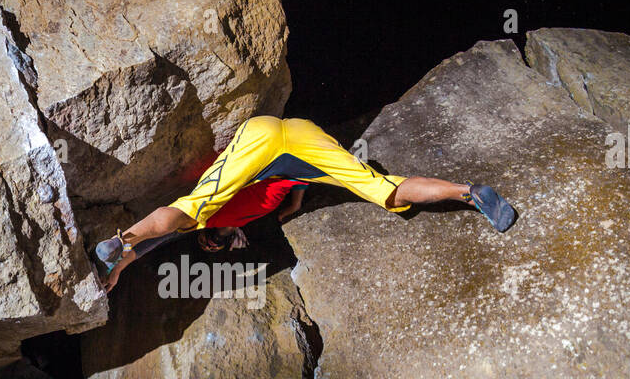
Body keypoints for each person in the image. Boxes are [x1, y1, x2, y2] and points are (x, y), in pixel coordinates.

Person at [96, 114, 516, 290]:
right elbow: (290, 184)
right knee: (386, 190)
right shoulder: (251, 213)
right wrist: (296, 201)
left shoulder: (211, 219)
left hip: (260, 140)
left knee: (190, 208)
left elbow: (161, 237)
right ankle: (468, 191)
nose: (209, 242)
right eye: (214, 245)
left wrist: (124, 256)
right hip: (300, 136)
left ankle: (119, 239)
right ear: (230, 239)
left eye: (209, 244)